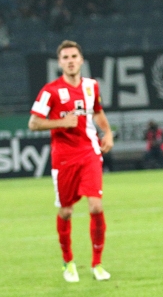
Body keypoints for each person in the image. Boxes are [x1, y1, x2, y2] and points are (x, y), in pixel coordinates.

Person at [28, 40, 114, 282]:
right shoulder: (50, 91)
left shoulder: (91, 86)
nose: (70, 60)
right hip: (64, 158)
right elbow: (34, 123)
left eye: (74, 56)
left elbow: (97, 111)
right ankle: (68, 262)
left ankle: (97, 264)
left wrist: (107, 133)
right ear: (60, 63)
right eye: (65, 57)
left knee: (96, 206)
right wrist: (61, 123)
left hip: (89, 152)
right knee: (66, 211)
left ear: (81, 60)